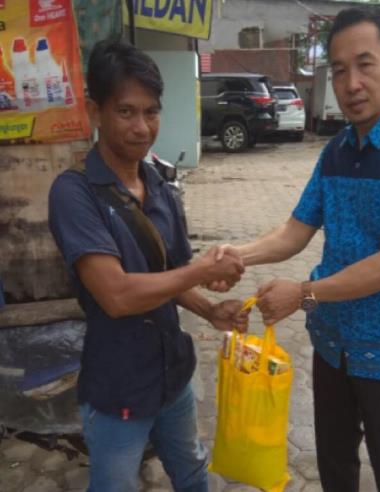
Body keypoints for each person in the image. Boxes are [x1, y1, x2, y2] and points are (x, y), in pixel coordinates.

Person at [211, 6, 380, 492]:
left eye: (365, 65)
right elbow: (296, 230)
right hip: (331, 344)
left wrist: (302, 293)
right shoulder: (336, 150)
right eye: (339, 70)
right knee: (335, 465)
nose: (351, 83)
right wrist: (237, 253)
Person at [48, 40, 247, 492]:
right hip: (118, 388)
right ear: (95, 111)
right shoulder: (73, 194)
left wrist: (209, 310)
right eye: (126, 112)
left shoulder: (158, 185)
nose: (142, 127)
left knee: (193, 473)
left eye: (151, 112)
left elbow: (168, 276)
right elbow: (116, 296)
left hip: (173, 376)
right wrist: (200, 272)